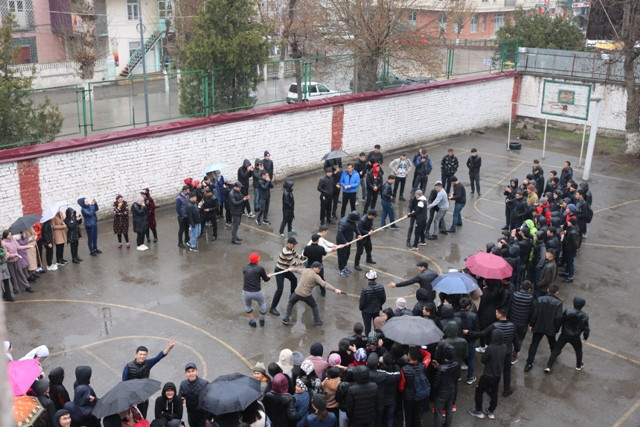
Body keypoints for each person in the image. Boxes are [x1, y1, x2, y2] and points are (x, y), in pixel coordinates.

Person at [464, 308, 519, 397]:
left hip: (495, 353)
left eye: (496, 312)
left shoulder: (494, 325)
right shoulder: (512, 326)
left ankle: (489, 388)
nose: (495, 314)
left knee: (493, 371)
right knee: (507, 371)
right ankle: (507, 389)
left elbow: (482, 333)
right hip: (507, 352)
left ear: (500, 314)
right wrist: (517, 350)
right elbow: (515, 339)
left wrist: (469, 332)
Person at [122, 340, 176, 417]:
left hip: (143, 397)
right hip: (132, 398)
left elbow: (159, 356)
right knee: (133, 418)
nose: (142, 356)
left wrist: (169, 347)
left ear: (146, 355)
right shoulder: (128, 367)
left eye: (144, 355)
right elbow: (124, 383)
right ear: (136, 355)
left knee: (143, 417)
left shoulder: (148, 364)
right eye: (140, 354)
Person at [281, 262, 342, 327]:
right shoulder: (316, 276)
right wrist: (335, 289)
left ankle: (286, 319)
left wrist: (290, 269)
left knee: (291, 303)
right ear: (314, 268)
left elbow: (297, 270)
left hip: (297, 293)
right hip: (306, 295)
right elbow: (324, 284)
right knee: (314, 306)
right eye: (319, 268)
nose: (320, 269)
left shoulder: (305, 270)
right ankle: (317, 322)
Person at [468, 328, 506, 420]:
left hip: (487, 375)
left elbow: (483, 359)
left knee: (479, 391)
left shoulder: (490, 348)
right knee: (494, 393)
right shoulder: (504, 346)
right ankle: (491, 411)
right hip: (497, 375)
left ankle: (478, 411)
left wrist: (486, 364)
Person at [524, 284, 563, 373]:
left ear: (548, 290)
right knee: (552, 342)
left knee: (534, 344)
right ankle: (554, 355)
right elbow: (558, 317)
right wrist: (557, 328)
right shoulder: (558, 303)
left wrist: (532, 324)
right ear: (557, 292)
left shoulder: (540, 299)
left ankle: (529, 363)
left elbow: (535, 313)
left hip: (538, 325)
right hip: (550, 327)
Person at [545, 296, 589, 373]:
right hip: (575, 337)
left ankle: (548, 366)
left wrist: (557, 329)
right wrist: (585, 337)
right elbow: (586, 328)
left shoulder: (568, 311)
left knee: (556, 349)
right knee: (578, 350)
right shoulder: (584, 316)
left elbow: (561, 321)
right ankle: (578, 365)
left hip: (564, 334)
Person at [269, 237, 305, 316]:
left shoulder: (291, 249)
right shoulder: (286, 252)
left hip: (285, 270)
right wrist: (300, 263)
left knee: (294, 279)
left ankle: (292, 296)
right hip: (279, 271)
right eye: (293, 244)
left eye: (295, 244)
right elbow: (293, 263)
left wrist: (303, 258)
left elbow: (295, 255)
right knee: (280, 290)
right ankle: (272, 308)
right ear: (289, 243)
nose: (294, 246)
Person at [399, 347, 429, 427]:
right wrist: (419, 350)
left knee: (408, 416)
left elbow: (401, 387)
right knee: (418, 416)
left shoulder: (404, 369)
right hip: (420, 395)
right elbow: (428, 355)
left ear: (408, 356)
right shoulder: (423, 366)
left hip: (408, 397)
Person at [432, 346, 460, 427]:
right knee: (449, 410)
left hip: (440, 394)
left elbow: (435, 383)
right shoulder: (457, 365)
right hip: (451, 392)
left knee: (438, 413)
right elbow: (457, 377)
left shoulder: (440, 369)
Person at [508, 280, 535, 364]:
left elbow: (509, 307)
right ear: (529, 289)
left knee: (510, 338)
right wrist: (530, 323)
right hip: (523, 323)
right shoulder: (530, 298)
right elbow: (532, 312)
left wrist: (508, 318)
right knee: (519, 339)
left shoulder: (514, 295)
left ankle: (508, 354)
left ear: (520, 286)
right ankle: (514, 356)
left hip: (512, 321)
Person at [243, 252, 271, 327]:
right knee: (262, 304)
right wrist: (268, 277)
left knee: (248, 305)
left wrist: (258, 278)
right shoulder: (260, 268)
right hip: (257, 292)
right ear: (258, 260)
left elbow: (250, 277)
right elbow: (266, 279)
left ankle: (252, 321)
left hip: (246, 292)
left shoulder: (244, 268)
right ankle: (262, 319)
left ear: (249, 260)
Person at [179, 363, 208, 427]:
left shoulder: (204, 384)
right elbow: (179, 399)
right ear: (185, 373)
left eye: (193, 371)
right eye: (188, 372)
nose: (191, 373)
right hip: (191, 416)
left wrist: (209, 417)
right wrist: (181, 400)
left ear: (197, 372)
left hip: (203, 416)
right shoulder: (183, 384)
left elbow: (210, 401)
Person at [336, 211, 363, 277]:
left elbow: (355, 227)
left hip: (348, 241)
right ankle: (341, 270)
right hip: (342, 242)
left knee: (347, 254)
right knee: (341, 256)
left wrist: (358, 234)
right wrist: (344, 242)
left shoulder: (352, 221)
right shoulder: (343, 223)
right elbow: (340, 233)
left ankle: (344, 266)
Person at [359, 270, 386, 336]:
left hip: (366, 311)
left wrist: (361, 308)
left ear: (368, 279)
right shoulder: (381, 287)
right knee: (377, 326)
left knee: (367, 327)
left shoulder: (365, 289)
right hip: (376, 310)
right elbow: (383, 299)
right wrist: (378, 305)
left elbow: (362, 302)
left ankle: (368, 339)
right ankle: (376, 338)